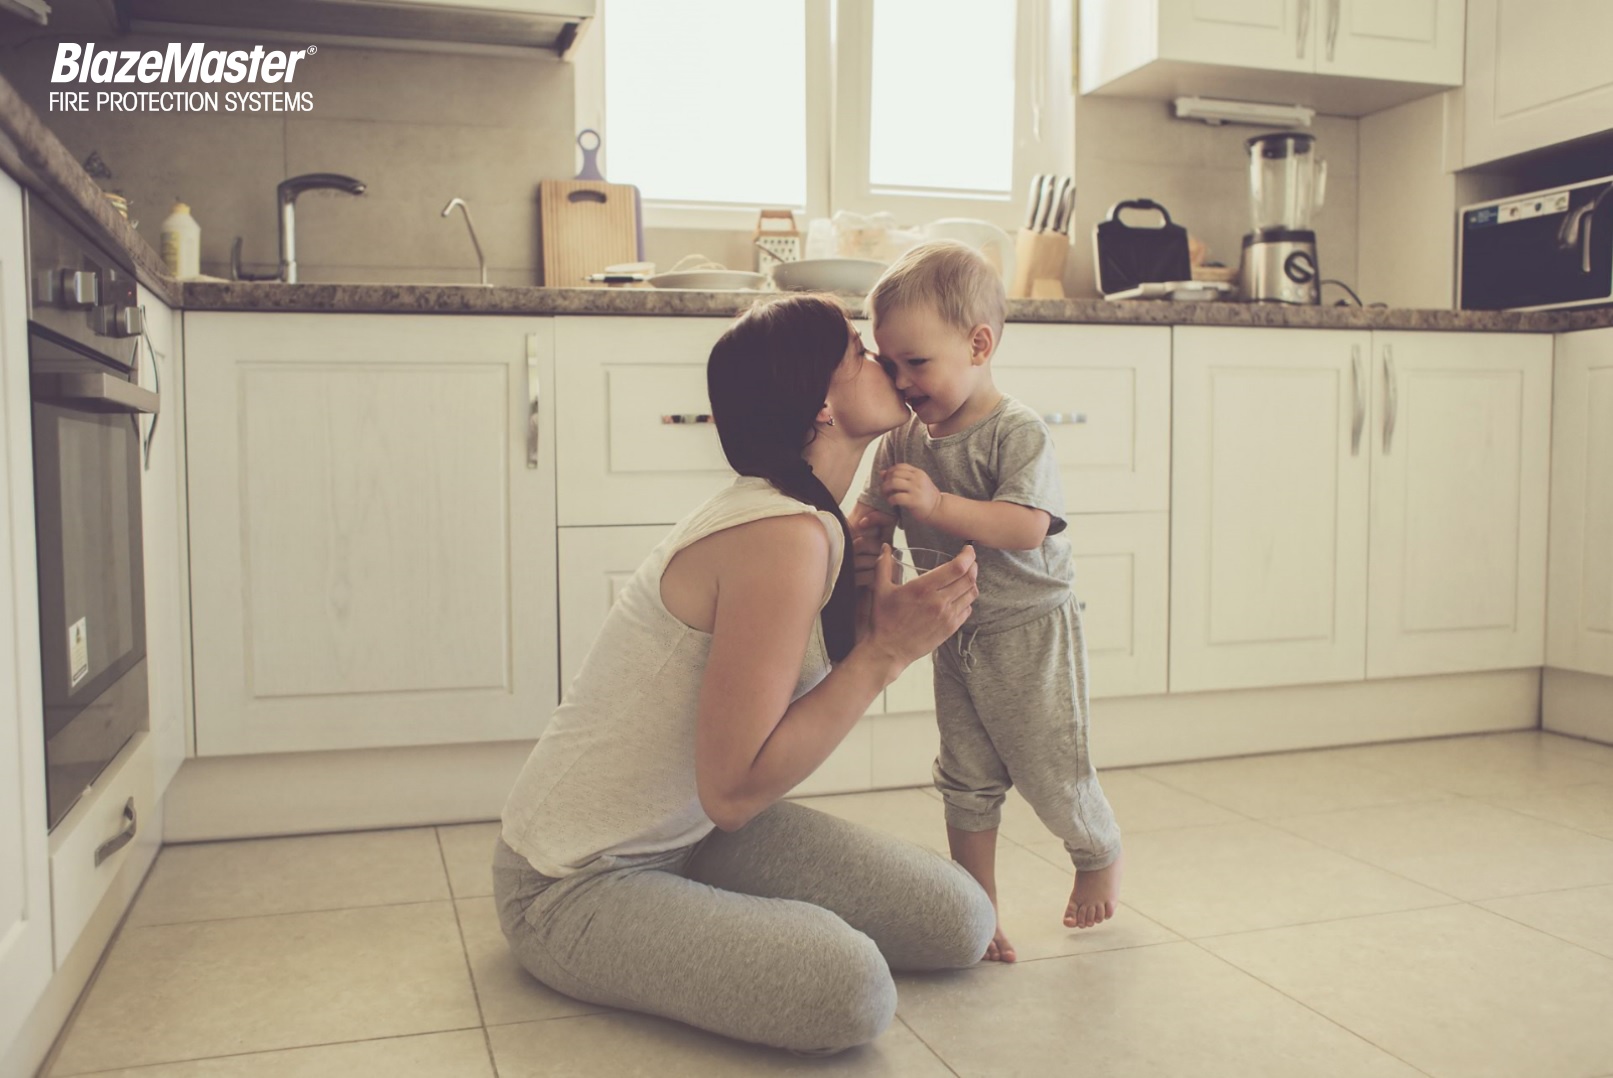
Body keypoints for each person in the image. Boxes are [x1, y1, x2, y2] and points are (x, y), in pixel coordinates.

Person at [493, 293, 994, 1055]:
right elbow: (735, 790)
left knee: (959, 920)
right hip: (570, 880)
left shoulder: (806, 518)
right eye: (858, 352)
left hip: (692, 834)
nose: (882, 358)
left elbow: (734, 781)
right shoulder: (778, 535)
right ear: (822, 403)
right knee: (850, 991)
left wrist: (863, 625)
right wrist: (884, 652)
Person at [850, 241, 1124, 964]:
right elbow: (874, 516)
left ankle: (1095, 849)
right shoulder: (900, 440)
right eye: (889, 365)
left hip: (1031, 629)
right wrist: (864, 530)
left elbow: (1027, 527)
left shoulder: (1016, 432)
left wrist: (938, 503)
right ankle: (977, 910)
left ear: (978, 344)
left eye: (917, 363)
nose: (902, 382)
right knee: (964, 776)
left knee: (1047, 765)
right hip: (955, 633)